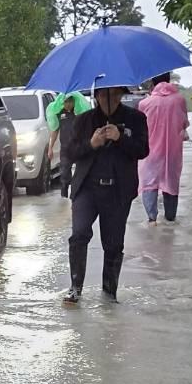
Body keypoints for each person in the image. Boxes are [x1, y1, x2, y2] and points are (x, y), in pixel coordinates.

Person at [63, 84, 149, 305]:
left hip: (118, 190)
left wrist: (120, 138)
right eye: (102, 94)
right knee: (79, 234)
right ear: (96, 96)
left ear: (121, 94)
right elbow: (70, 153)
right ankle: (75, 289)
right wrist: (91, 144)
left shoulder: (136, 118)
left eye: (112, 94)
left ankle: (109, 294)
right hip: (86, 188)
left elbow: (143, 150)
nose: (106, 98)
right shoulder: (84, 121)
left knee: (113, 244)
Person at [138, 79, 189, 223]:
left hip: (150, 152)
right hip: (173, 152)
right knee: (171, 182)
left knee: (149, 184)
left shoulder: (144, 104)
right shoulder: (180, 100)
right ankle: (170, 218)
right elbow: (184, 123)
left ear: (153, 83)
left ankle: (152, 219)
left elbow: (140, 127)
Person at [47, 94, 79, 198]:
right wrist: (50, 148)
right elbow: (55, 130)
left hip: (78, 147)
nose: (68, 104)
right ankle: (64, 193)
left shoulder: (79, 113)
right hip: (65, 148)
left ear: (74, 102)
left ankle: (75, 195)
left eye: (70, 101)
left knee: (80, 172)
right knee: (64, 171)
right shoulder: (59, 114)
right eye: (66, 102)